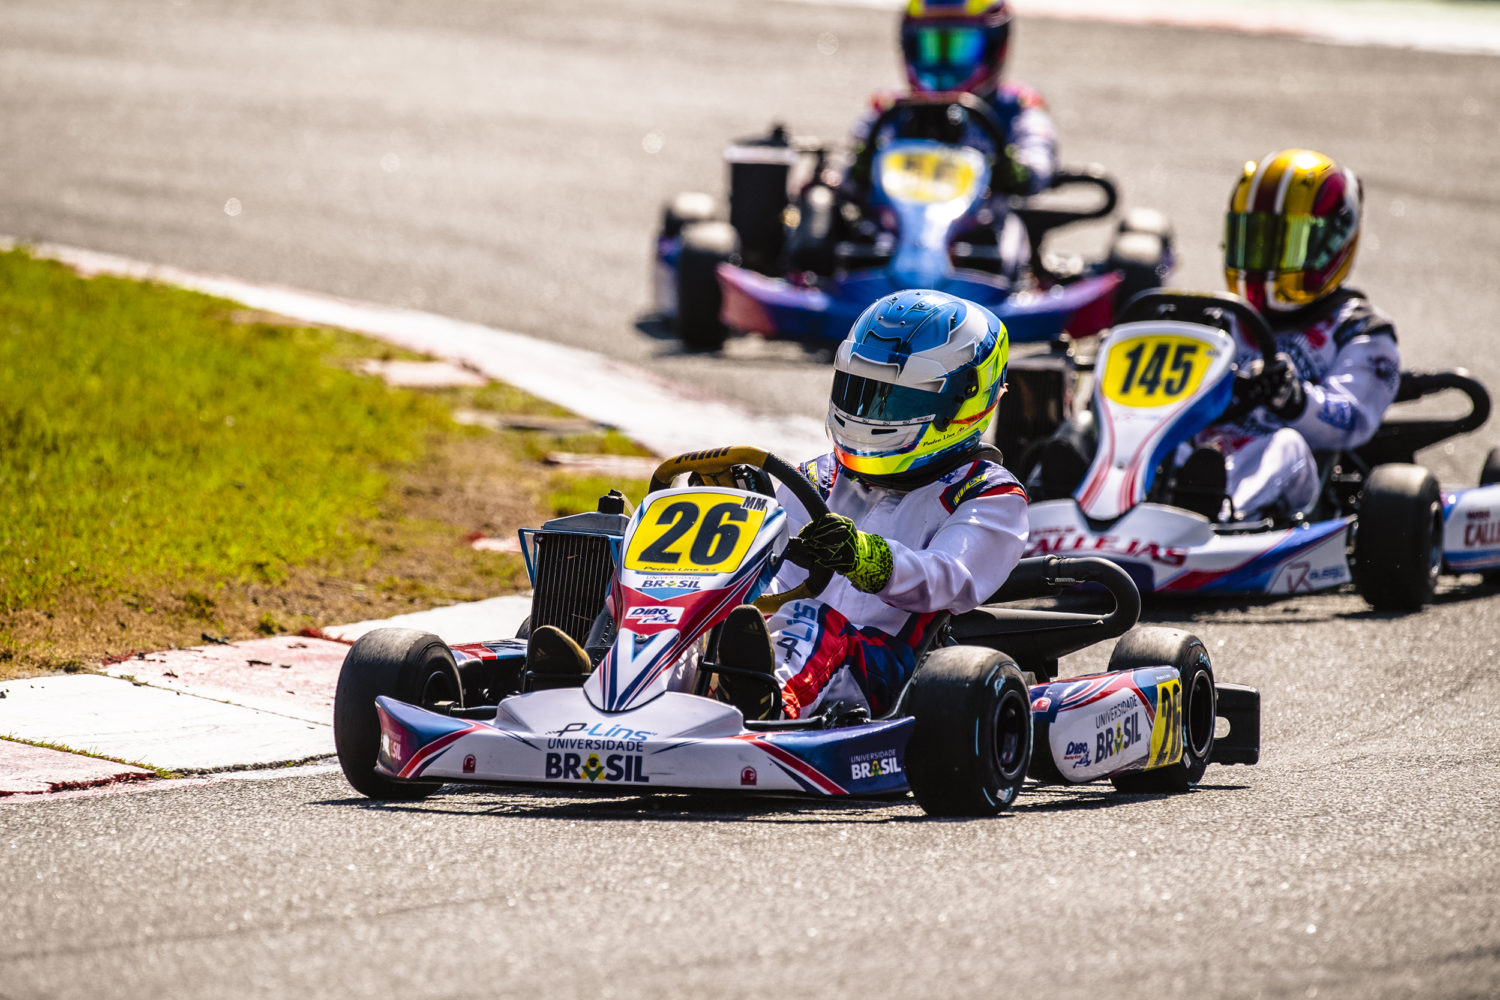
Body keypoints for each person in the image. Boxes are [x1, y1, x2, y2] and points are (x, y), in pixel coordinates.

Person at [714, 289, 1029, 721]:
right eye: (865, 389)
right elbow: (774, 583)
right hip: (783, 644)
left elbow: (947, 579)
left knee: (814, 621)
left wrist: (869, 559)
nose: (873, 411)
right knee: (715, 607)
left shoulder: (986, 494)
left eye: (903, 398)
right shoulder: (818, 478)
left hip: (887, 667)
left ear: (964, 399)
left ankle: (769, 704)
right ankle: (608, 680)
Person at [1185, 148, 1402, 519]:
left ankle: (1220, 514)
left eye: (1286, 243)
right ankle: (1075, 491)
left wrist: (1294, 399)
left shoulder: (1360, 330)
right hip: (1204, 455)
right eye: (1256, 240)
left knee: (1284, 446)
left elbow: (1351, 419)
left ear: (1331, 243)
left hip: (1298, 476)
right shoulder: (1223, 319)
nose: (1267, 259)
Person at [836, 0, 1059, 283]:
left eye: (958, 48)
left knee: (1003, 236)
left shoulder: (1015, 107)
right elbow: (846, 170)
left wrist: (1013, 169)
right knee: (829, 215)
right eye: (931, 47)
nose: (942, 64)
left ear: (994, 49)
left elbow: (1038, 163)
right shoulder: (890, 109)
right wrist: (860, 166)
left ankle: (997, 288)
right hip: (888, 235)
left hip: (978, 232)